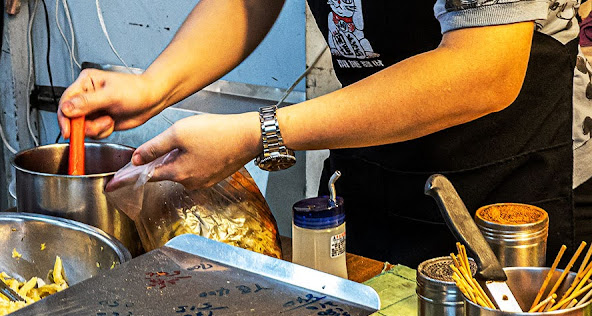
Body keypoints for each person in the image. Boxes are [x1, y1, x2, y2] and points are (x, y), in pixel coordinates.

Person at [58, 0, 592, 266]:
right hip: (371, 185)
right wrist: (154, 85)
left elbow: (485, 70)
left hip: (515, 206)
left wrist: (261, 132)